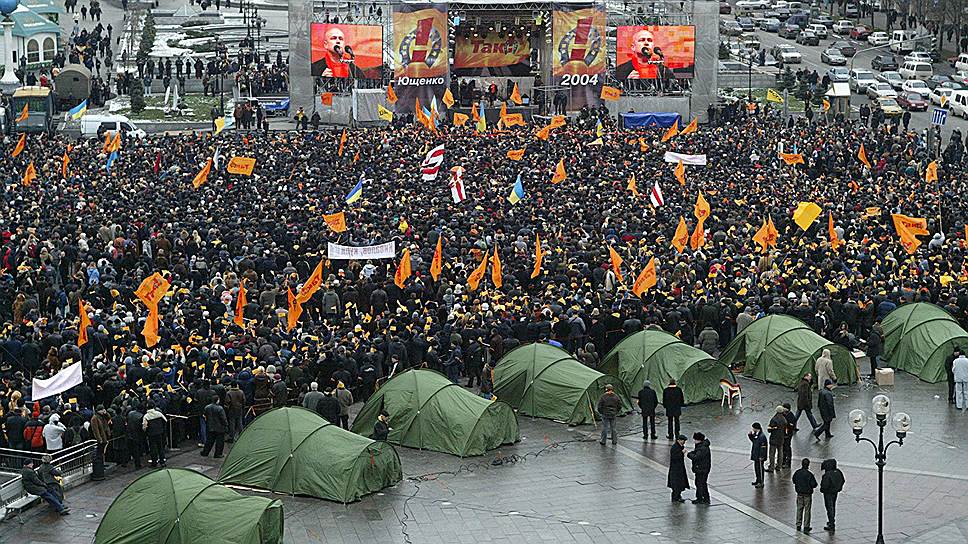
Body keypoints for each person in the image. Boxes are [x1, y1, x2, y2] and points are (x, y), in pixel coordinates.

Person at [792, 458, 818, 533]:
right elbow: (814, 484)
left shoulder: (797, 472)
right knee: (807, 510)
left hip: (799, 494)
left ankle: (798, 524)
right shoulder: (809, 474)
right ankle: (806, 526)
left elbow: (794, 480)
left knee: (799, 509)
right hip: (807, 494)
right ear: (808, 465)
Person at [820, 458, 845, 532]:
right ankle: (831, 521)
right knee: (833, 506)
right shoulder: (838, 472)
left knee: (829, 507)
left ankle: (831, 523)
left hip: (828, 493)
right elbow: (843, 480)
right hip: (835, 492)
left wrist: (823, 490)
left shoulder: (827, 474)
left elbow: (824, 485)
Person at [686, 432, 710, 504]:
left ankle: (700, 498)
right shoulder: (702, 446)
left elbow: (696, 457)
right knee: (702, 483)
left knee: (699, 483)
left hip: (701, 469)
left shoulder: (702, 448)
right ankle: (705, 498)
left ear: (698, 440)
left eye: (695, 439)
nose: (694, 441)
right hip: (703, 468)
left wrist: (688, 454)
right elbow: (696, 453)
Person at [142, 402, 167, 467]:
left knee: (153, 448)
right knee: (160, 447)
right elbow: (165, 420)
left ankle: (154, 462)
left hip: (151, 434)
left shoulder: (146, 416)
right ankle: (162, 462)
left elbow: (144, 427)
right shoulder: (158, 413)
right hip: (159, 432)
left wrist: (146, 431)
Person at [667, 434, 689, 503]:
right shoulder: (675, 447)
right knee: (676, 484)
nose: (684, 442)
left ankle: (678, 496)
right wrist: (682, 453)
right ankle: (675, 497)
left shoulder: (680, 446)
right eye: (683, 441)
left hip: (680, 468)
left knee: (680, 483)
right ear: (679, 440)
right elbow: (675, 457)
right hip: (675, 469)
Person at [766, 405, 787, 472]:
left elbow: (770, 430)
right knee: (780, 452)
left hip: (774, 438)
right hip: (781, 438)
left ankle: (771, 467)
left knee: (772, 454)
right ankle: (779, 466)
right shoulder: (784, 419)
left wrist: (770, 428)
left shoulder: (774, 419)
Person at [748, 422, 767, 488]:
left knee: (760, 469)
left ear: (756, 428)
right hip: (756, 455)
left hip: (759, 456)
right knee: (756, 469)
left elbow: (763, 447)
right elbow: (754, 441)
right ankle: (757, 480)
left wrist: (762, 456)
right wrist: (750, 436)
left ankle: (761, 482)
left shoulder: (762, 436)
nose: (752, 429)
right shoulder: (757, 434)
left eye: (753, 428)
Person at [781, 402, 796, 469]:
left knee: (787, 447)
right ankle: (783, 461)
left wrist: (787, 426)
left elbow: (792, 425)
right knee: (783, 448)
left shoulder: (791, 416)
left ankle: (788, 462)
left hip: (788, 434)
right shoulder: (783, 414)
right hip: (783, 434)